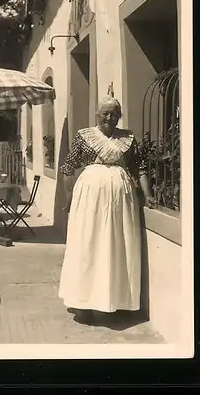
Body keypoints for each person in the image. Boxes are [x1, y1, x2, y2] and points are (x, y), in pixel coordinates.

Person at [58, 97, 155, 324]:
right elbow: (67, 168)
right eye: (105, 113)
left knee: (119, 244)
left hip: (121, 199)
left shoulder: (128, 139)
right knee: (88, 244)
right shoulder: (84, 136)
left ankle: (119, 301)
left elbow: (139, 168)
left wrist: (147, 194)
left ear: (119, 116)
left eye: (114, 114)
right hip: (89, 196)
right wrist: (68, 197)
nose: (110, 118)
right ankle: (83, 304)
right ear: (97, 114)